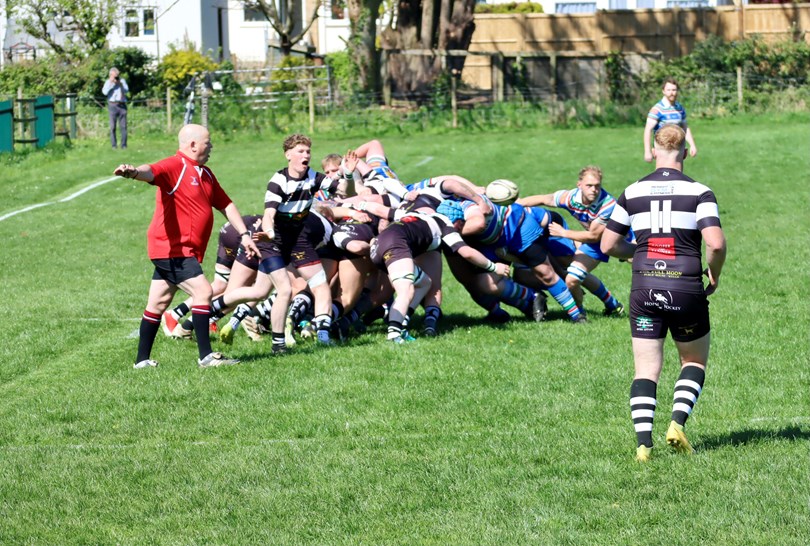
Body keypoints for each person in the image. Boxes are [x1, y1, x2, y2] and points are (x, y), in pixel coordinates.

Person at [601, 124, 726, 462]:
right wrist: (714, 273)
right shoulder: (700, 192)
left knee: (645, 369)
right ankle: (676, 424)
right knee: (693, 361)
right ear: (684, 152)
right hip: (685, 287)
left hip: (644, 287)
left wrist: (639, 252)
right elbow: (715, 244)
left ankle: (643, 445)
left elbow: (608, 244)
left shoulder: (631, 192)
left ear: (654, 151)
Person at [113, 123, 260, 369]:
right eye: (208, 143)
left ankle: (141, 361)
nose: (211, 147)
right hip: (172, 249)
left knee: (158, 303)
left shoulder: (206, 173)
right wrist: (133, 172)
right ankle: (206, 357)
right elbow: (151, 171)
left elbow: (226, 204)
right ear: (193, 145)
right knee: (203, 292)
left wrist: (244, 234)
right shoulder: (176, 165)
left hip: (182, 251)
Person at [517, 166, 626, 317]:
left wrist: (564, 233)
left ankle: (652, 310)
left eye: (597, 186)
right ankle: (587, 312)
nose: (594, 190)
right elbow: (545, 199)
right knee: (573, 278)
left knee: (648, 268)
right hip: (597, 242)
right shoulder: (570, 198)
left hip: (623, 240)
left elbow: (594, 236)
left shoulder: (607, 205)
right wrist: (517, 203)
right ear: (579, 185)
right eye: (589, 185)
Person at [643, 78, 697, 163]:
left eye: (674, 90)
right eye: (669, 90)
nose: (672, 93)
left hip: (678, 150)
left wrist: (692, 145)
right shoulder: (657, 109)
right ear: (663, 91)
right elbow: (648, 130)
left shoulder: (680, 108)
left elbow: (685, 128)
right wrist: (647, 151)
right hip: (662, 150)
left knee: (677, 170)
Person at [102, 67, 129, 149]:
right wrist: (111, 84)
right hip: (113, 105)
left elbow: (127, 90)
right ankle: (114, 145)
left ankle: (124, 145)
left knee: (123, 126)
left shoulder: (122, 81)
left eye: (117, 75)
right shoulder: (108, 82)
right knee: (112, 126)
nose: (116, 77)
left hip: (122, 105)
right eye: (114, 76)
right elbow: (104, 92)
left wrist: (120, 84)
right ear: (110, 75)